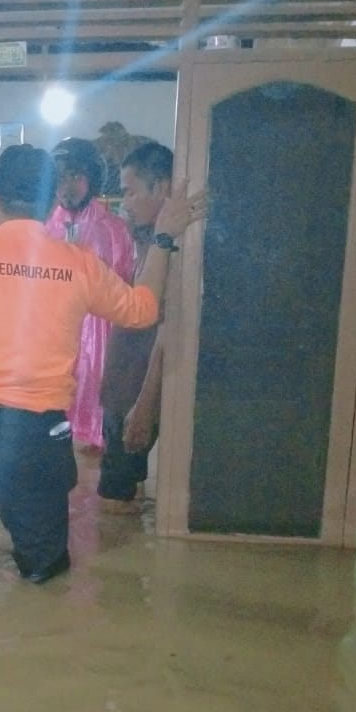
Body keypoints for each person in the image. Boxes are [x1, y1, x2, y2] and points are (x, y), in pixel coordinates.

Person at [0, 144, 205, 585]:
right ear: (50, 203)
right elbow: (142, 310)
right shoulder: (78, 264)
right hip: (41, 434)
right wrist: (164, 237)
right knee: (44, 570)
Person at [98, 140, 197, 514]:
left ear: (161, 189)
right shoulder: (147, 239)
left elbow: (167, 332)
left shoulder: (177, 250)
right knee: (128, 496)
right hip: (122, 389)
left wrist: (144, 405)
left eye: (130, 191)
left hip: (137, 395)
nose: (125, 202)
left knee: (112, 510)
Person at [44, 137, 136, 451]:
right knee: (52, 423)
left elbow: (124, 287)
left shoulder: (114, 229)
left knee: (95, 425)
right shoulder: (44, 228)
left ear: (91, 179)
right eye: (61, 177)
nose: (67, 186)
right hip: (56, 330)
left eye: (75, 176)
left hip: (100, 333)